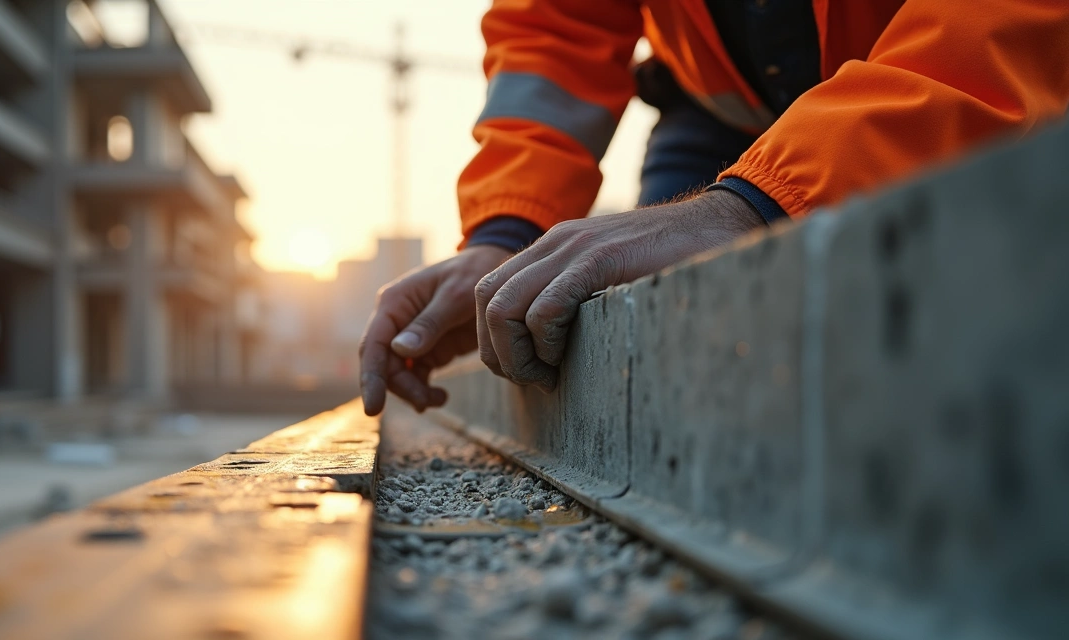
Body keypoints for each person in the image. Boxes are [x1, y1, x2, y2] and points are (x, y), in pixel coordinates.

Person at [359, 0, 1069, 416]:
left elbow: (1002, 28)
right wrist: (504, 231)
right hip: (719, 112)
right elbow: (557, 29)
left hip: (941, 87)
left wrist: (759, 203)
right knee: (652, 362)